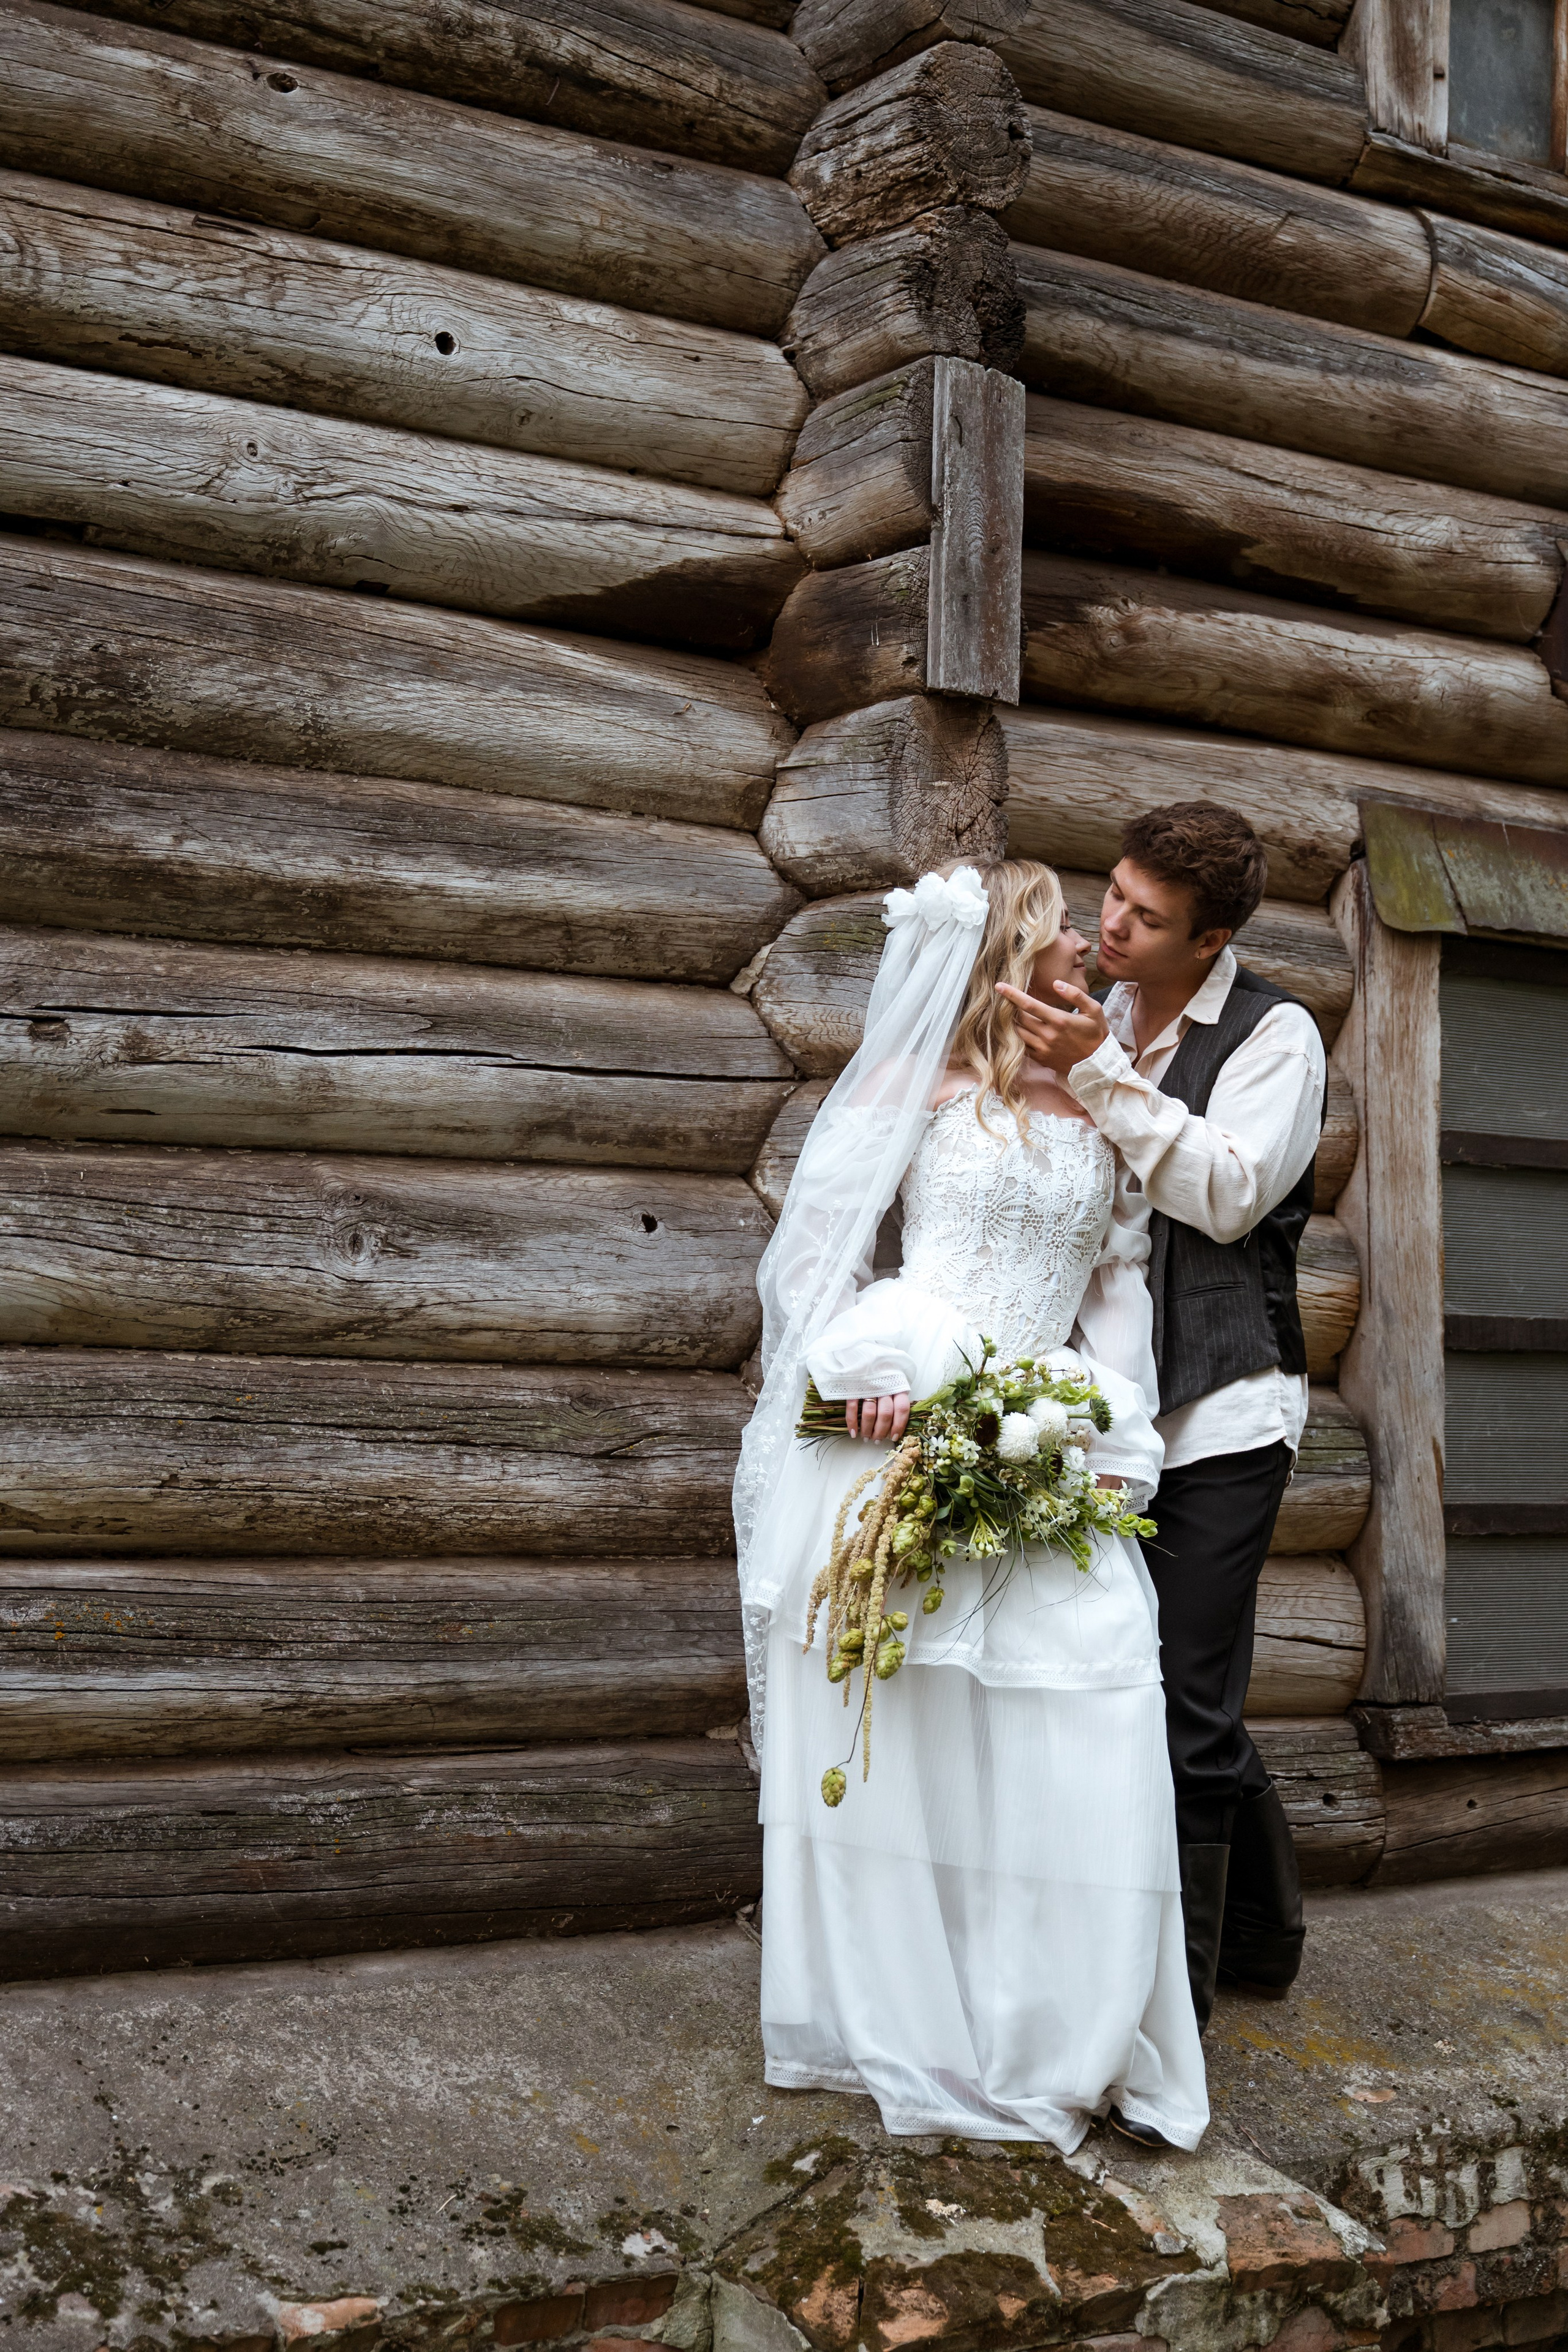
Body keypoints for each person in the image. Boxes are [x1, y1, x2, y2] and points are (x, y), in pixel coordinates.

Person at [734, 858, 1207, 2154]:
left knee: (1084, 1707)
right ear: (1005, 953)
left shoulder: (1108, 1103)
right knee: (911, 1727)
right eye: (1063, 931)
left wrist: (1120, 1430)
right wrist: (848, 1386)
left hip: (1047, 1430)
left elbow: (1116, 1289)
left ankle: (1056, 2025)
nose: (1088, 949)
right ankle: (906, 2013)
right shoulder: (914, 1090)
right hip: (907, 1413)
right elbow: (816, 1261)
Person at [996, 804, 1326, 2082]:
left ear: (1215, 938)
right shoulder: (1105, 1008)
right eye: (1111, 896)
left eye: (1141, 916)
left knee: (1185, 1702)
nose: (1108, 925)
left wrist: (1096, 1078)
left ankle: (1173, 2025)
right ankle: (1263, 1934)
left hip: (1220, 1413)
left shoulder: (1272, 1035)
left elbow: (1230, 1194)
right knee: (1136, 1688)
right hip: (1100, 1424)